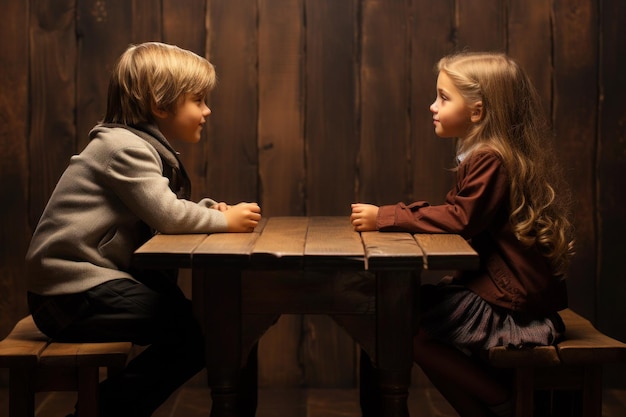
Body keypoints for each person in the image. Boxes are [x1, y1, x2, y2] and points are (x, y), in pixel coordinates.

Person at [25, 42, 262, 417]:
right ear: (161, 105)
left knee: (205, 329)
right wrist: (223, 222)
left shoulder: (133, 145)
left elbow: (152, 209)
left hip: (87, 288)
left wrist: (206, 211)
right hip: (67, 298)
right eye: (198, 100)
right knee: (201, 334)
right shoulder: (123, 148)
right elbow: (167, 216)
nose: (207, 110)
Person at [350, 51, 574, 417]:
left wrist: (385, 216)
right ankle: (493, 405)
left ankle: (505, 403)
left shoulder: (491, 159)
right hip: (502, 294)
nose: (432, 106)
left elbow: (460, 218)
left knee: (400, 327)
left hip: (511, 306)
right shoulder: (487, 155)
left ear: (478, 112)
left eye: (443, 97)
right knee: (399, 320)